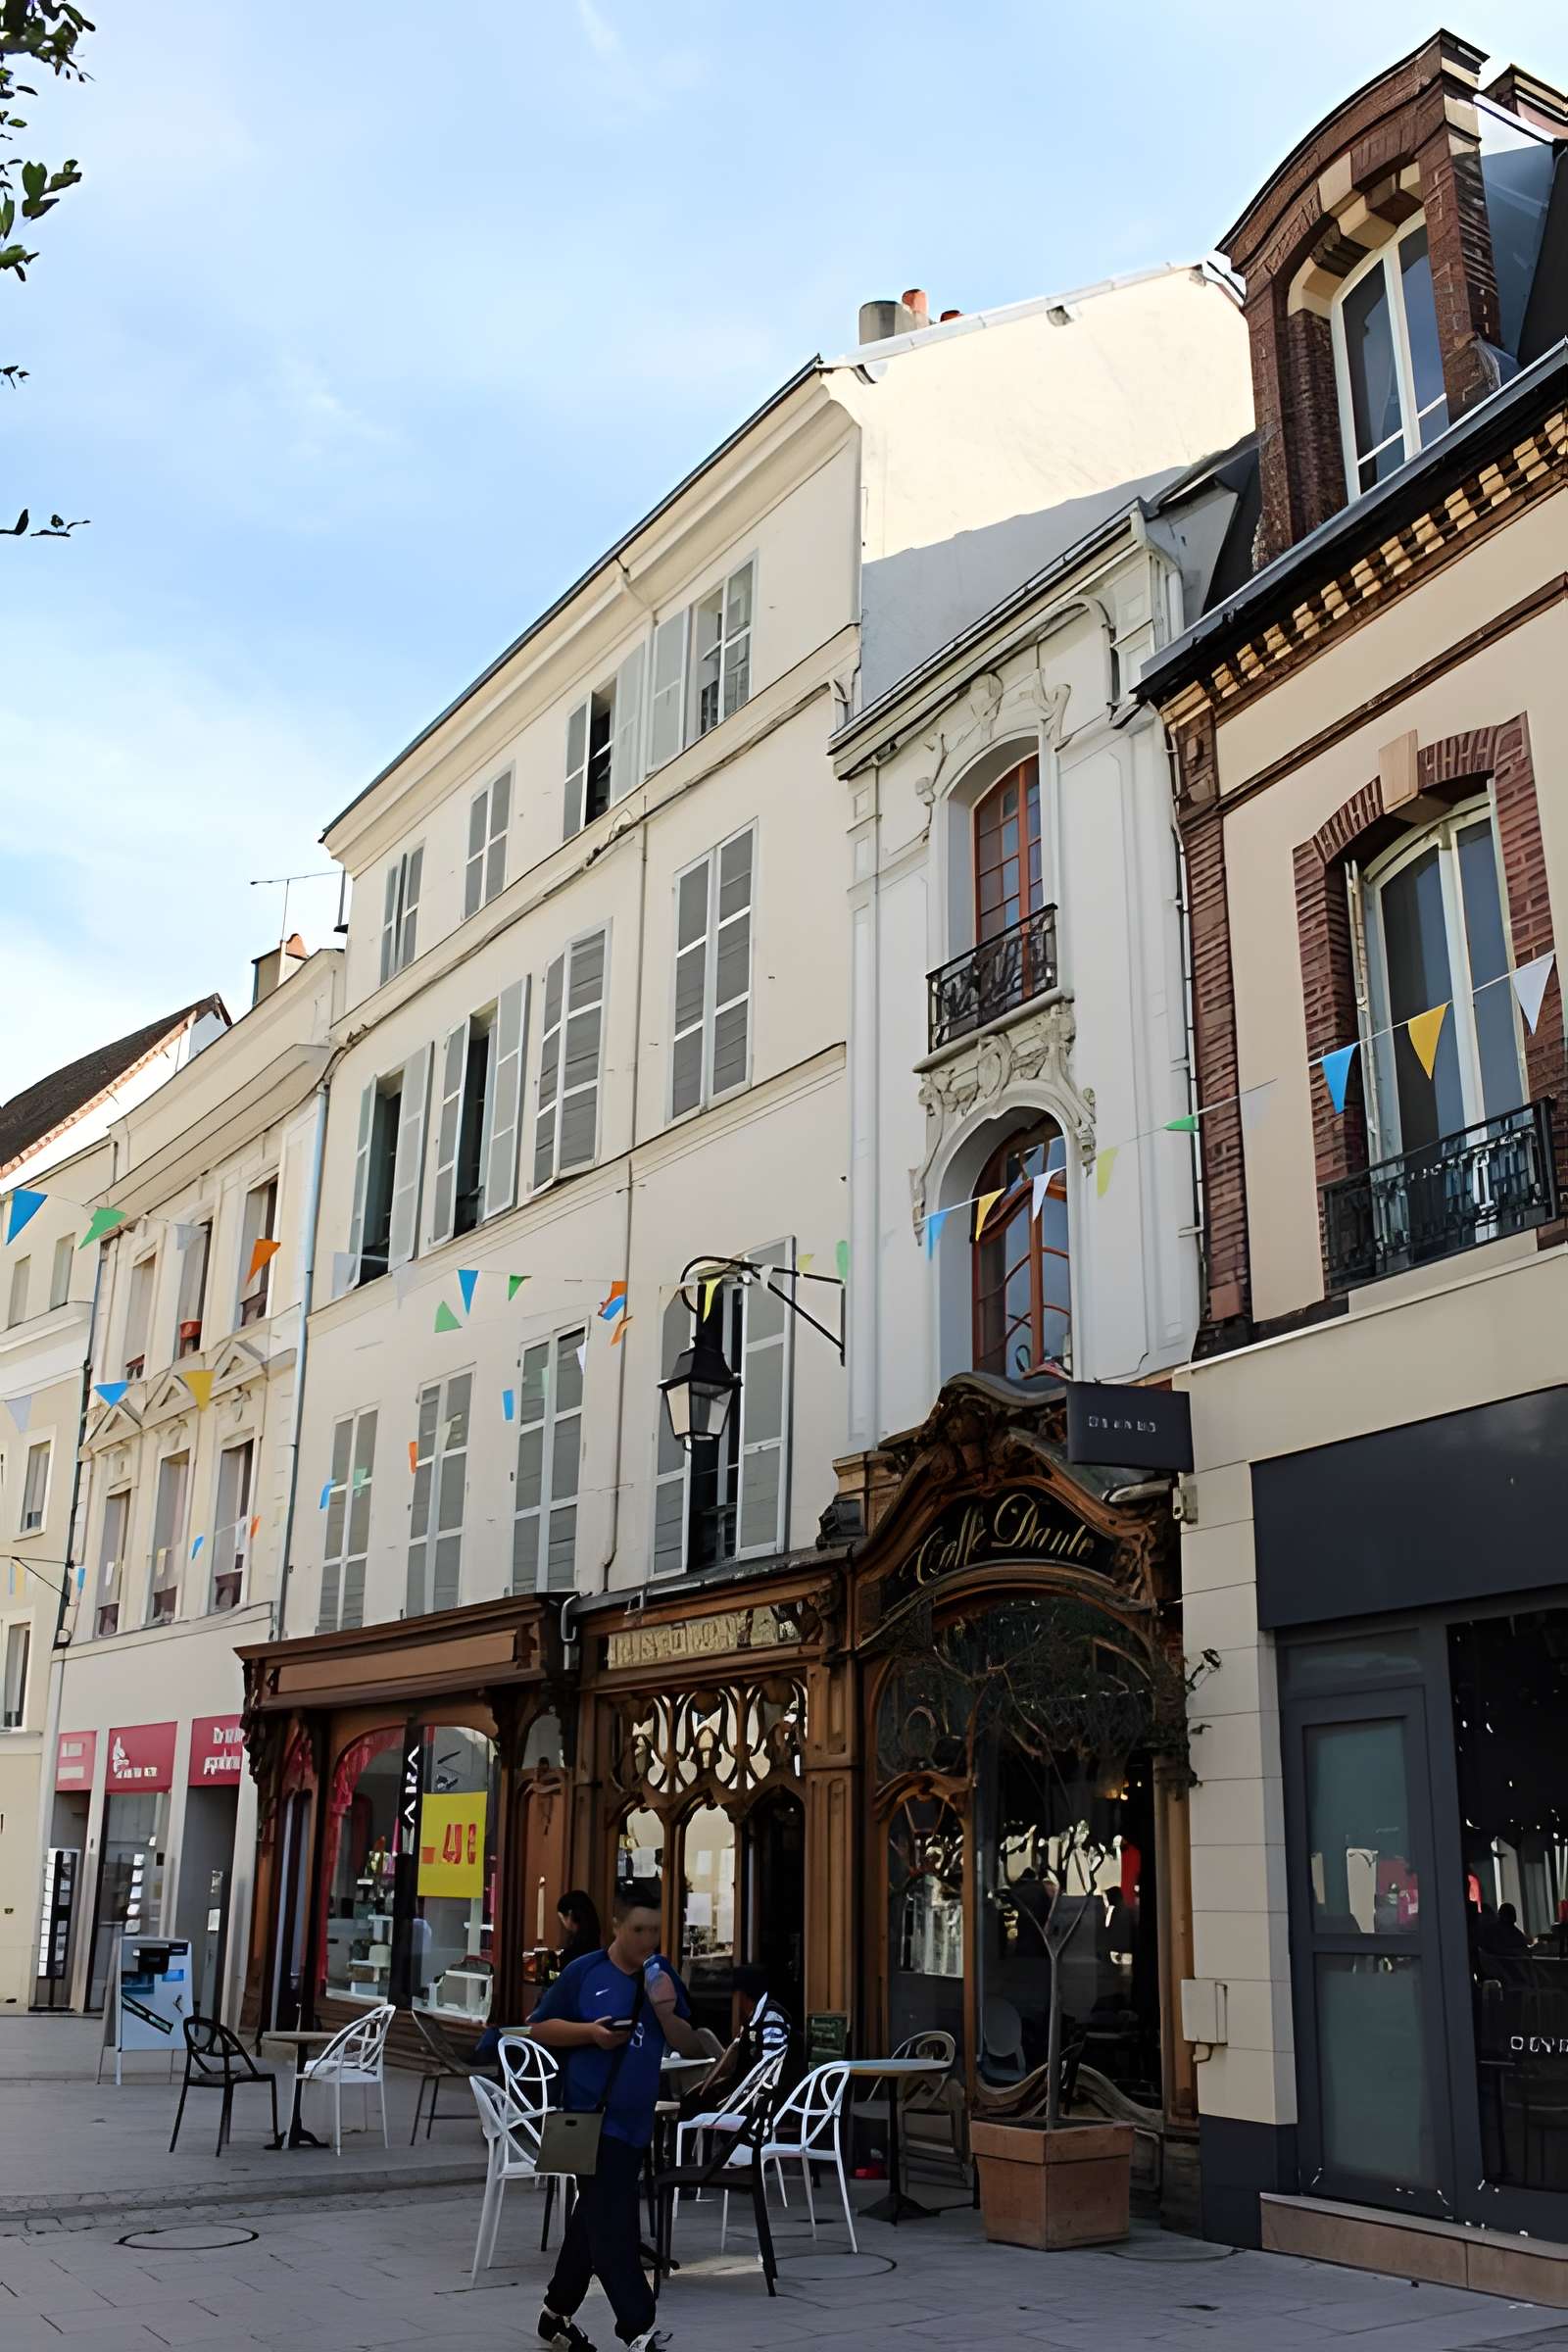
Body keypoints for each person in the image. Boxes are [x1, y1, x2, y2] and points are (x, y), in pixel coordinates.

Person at [529, 1883, 707, 2352]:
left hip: (634, 2122)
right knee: (614, 2225)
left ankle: (554, 2314)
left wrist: (667, 2013)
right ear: (616, 1925)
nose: (647, 1939)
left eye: (655, 1930)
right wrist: (590, 2032)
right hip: (589, 2120)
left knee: (592, 2217)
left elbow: (690, 2045)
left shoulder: (660, 1974)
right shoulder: (584, 1972)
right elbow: (540, 2027)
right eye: (638, 1929)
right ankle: (637, 2330)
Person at [557, 1889, 603, 1973]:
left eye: (561, 1918)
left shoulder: (571, 1955)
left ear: (570, 1914)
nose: (562, 1924)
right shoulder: (597, 1947)